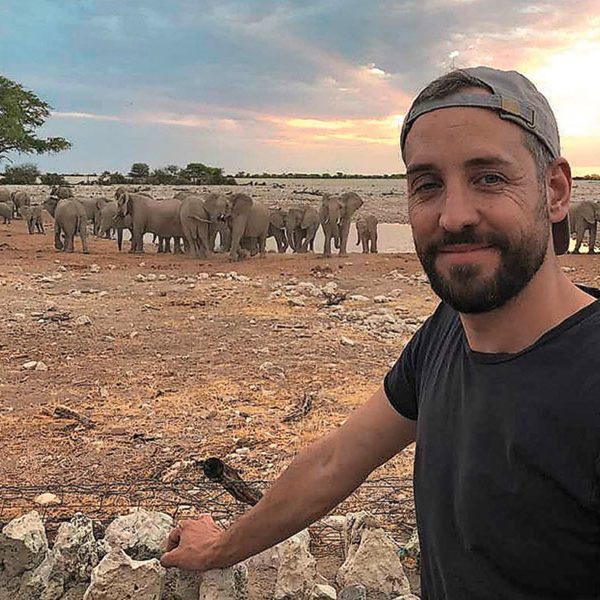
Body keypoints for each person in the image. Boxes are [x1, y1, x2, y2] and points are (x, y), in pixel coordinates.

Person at [160, 67, 600, 599]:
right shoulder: (447, 333)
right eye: (427, 185)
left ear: (555, 192)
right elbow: (334, 460)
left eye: (489, 178)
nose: (454, 216)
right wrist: (220, 549)